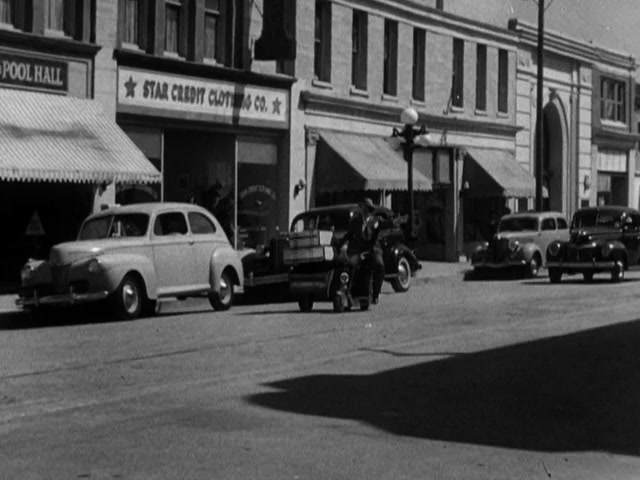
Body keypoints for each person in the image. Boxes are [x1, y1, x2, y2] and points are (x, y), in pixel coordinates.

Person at [337, 197, 389, 305]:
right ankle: (350, 292)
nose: (364, 211)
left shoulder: (375, 220)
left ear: (370, 210)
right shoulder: (356, 221)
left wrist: (396, 222)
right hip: (359, 251)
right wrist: (338, 245)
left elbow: (386, 224)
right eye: (363, 208)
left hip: (373, 250)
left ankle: (376, 294)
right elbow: (348, 235)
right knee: (349, 266)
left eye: (367, 209)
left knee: (379, 265)